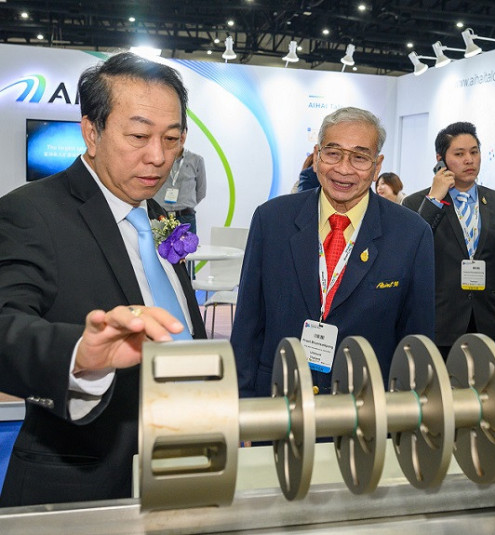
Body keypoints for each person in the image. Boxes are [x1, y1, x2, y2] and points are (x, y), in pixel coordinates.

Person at [0, 52, 206, 507]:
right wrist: (80, 355)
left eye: (172, 138)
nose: (158, 157)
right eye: (138, 136)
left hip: (184, 473)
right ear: (91, 132)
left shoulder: (160, 217)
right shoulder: (31, 212)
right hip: (82, 488)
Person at [231, 107, 435, 397]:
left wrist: (405, 412)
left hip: (364, 407)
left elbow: (416, 341)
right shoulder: (272, 220)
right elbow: (248, 323)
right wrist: (241, 402)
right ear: (317, 156)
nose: (344, 169)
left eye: (359, 157)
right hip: (277, 398)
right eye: (333, 153)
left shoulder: (411, 234)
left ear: (377, 166)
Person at [403, 121, 495, 358]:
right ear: (440, 160)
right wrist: (434, 199)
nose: (469, 160)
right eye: (459, 154)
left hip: (488, 323)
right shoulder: (417, 203)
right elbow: (410, 250)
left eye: (474, 152)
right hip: (440, 324)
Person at [152, 126, 207, 235]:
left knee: (187, 247)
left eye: (183, 132)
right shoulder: (156, 158)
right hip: (160, 217)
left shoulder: (196, 160)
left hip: (186, 218)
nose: (181, 136)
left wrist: (185, 204)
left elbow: (201, 191)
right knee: (157, 246)